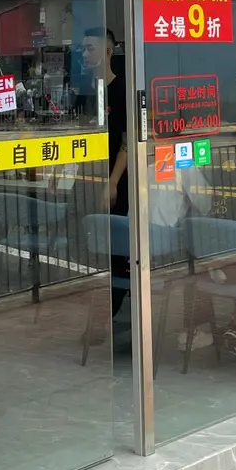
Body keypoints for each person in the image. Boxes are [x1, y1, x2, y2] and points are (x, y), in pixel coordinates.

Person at [80, 28, 129, 334]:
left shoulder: (120, 89)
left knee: (115, 251)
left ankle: (105, 321)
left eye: (90, 48)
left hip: (114, 183)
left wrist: (113, 182)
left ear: (107, 52)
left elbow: (127, 141)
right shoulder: (87, 92)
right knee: (95, 250)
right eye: (83, 49)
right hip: (89, 180)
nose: (84, 54)